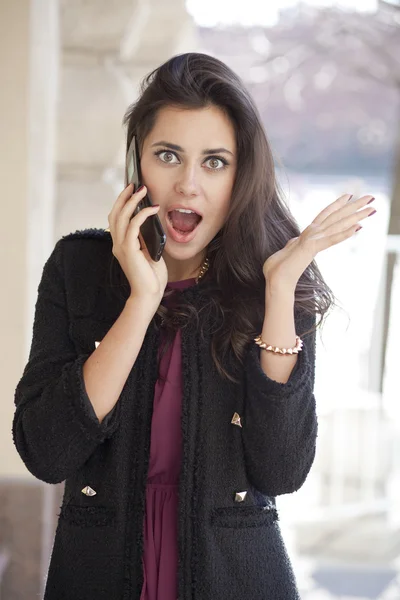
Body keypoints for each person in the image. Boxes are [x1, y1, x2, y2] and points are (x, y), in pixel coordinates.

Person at [12, 52, 376, 600]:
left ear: (241, 173)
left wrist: (278, 290)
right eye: (168, 155)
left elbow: (280, 471)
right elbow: (46, 453)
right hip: (95, 575)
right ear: (138, 160)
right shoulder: (78, 268)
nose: (187, 185)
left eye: (214, 162)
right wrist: (142, 300)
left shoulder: (276, 282)